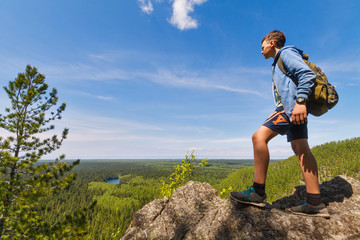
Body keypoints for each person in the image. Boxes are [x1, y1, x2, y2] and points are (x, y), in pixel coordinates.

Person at [230, 30, 329, 218]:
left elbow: (307, 75)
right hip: (294, 108)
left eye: (262, 47)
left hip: (292, 107)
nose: (261, 51)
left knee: (258, 137)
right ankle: (315, 203)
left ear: (272, 42)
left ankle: (258, 193)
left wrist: (299, 101)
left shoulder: (286, 53)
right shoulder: (279, 60)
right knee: (301, 149)